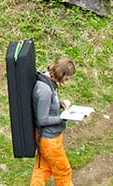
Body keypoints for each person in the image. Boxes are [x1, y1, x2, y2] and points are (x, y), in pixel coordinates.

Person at [31, 56, 76, 186]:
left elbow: (47, 107)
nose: (67, 81)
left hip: (48, 138)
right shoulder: (44, 90)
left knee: (42, 170)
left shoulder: (48, 83)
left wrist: (61, 104)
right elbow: (42, 119)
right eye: (67, 78)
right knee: (64, 171)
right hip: (49, 140)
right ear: (61, 75)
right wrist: (63, 117)